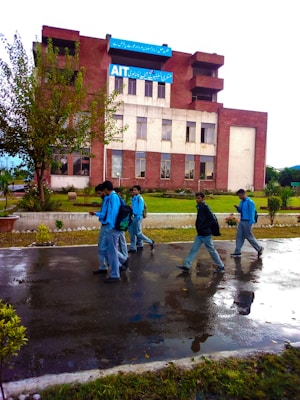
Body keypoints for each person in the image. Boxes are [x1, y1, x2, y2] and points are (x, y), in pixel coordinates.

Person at [176, 192, 224, 273]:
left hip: (206, 234)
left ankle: (221, 266)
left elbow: (212, 219)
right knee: (193, 250)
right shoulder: (199, 207)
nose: (197, 200)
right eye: (196, 198)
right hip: (200, 234)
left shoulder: (205, 207)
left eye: (198, 198)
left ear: (202, 198)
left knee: (212, 250)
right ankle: (187, 266)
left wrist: (204, 227)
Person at [98, 180, 122, 282]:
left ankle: (115, 275)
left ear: (106, 189)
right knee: (103, 249)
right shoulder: (110, 198)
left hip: (112, 228)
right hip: (109, 227)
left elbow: (114, 213)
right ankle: (118, 266)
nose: (103, 193)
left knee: (112, 252)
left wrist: (111, 227)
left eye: (103, 190)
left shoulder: (114, 197)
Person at [230, 188, 263, 258]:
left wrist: (251, 222)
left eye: (240, 195)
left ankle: (259, 248)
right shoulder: (242, 202)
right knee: (239, 236)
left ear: (243, 194)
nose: (239, 197)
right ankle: (237, 251)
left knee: (249, 236)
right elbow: (241, 211)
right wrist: (238, 208)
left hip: (248, 221)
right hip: (242, 220)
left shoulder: (250, 202)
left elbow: (252, 212)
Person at [128, 185, 155, 253]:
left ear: (139, 191)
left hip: (137, 217)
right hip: (133, 216)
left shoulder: (139, 198)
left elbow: (140, 209)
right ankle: (134, 247)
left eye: (135, 190)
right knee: (132, 232)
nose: (134, 191)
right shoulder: (134, 198)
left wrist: (136, 216)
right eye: (133, 190)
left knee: (137, 233)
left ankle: (150, 241)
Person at [89, 183, 109, 274]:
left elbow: (105, 214)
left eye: (99, 193)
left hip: (108, 226)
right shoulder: (105, 200)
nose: (98, 195)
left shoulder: (109, 200)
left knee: (105, 248)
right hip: (104, 225)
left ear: (104, 191)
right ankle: (102, 266)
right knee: (102, 247)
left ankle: (122, 261)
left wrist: (95, 213)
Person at [114, 187, 129, 270]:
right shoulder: (119, 199)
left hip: (120, 223)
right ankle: (124, 255)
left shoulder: (120, 200)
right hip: (120, 222)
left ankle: (125, 256)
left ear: (118, 193)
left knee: (122, 240)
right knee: (121, 240)